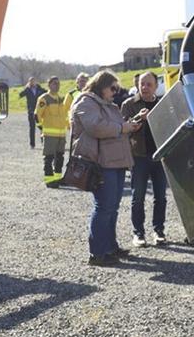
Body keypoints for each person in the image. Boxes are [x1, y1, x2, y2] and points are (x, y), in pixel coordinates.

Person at [71, 70, 144, 266]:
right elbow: (96, 127)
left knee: (112, 207)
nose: (115, 92)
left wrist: (130, 124)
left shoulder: (107, 105)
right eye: (112, 88)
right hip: (101, 162)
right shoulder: (86, 102)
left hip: (116, 161)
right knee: (104, 207)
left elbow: (116, 126)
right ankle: (97, 253)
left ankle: (110, 248)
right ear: (101, 86)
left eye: (117, 88)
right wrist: (122, 128)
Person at [121, 71, 168, 247]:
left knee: (160, 197)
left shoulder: (162, 104)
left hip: (159, 157)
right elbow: (123, 128)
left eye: (149, 84)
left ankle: (159, 231)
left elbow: (168, 126)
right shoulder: (129, 104)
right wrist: (138, 118)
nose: (144, 87)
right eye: (142, 84)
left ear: (156, 86)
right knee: (138, 197)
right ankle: (138, 234)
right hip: (138, 157)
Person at [35, 76, 68, 187]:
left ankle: (57, 179)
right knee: (49, 158)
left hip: (61, 134)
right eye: (54, 83)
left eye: (58, 83)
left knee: (60, 158)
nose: (57, 85)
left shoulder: (60, 99)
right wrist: (41, 128)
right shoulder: (44, 98)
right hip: (49, 134)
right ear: (49, 85)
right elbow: (37, 115)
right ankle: (49, 180)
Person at [19, 76, 45, 149]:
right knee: (32, 128)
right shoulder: (27, 90)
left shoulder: (40, 89)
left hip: (40, 111)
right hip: (31, 111)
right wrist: (26, 88)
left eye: (33, 81)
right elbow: (20, 95)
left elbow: (46, 92)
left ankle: (43, 142)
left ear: (36, 82)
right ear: (29, 82)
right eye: (31, 81)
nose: (32, 82)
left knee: (41, 127)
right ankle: (32, 144)